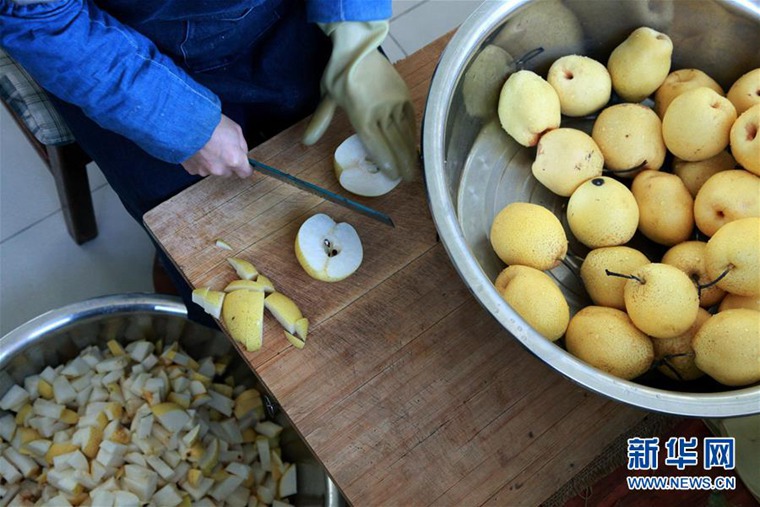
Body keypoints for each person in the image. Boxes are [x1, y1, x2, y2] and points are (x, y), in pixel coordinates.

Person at [0, 0, 417, 325]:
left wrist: (354, 27)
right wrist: (176, 120)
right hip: (118, 59)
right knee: (198, 245)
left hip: (288, 19)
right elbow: (45, 22)